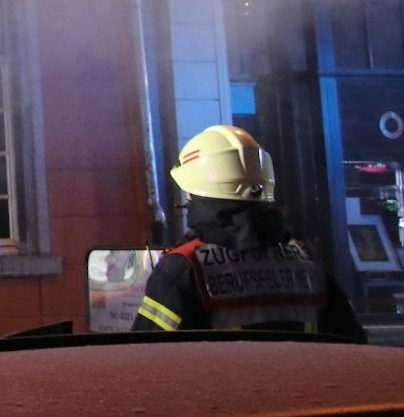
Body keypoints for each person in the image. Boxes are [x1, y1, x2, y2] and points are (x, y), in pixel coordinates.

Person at [133, 125, 365, 341]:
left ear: (201, 197)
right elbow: (352, 346)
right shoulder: (308, 262)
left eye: (189, 193)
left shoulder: (183, 270)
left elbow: (147, 357)